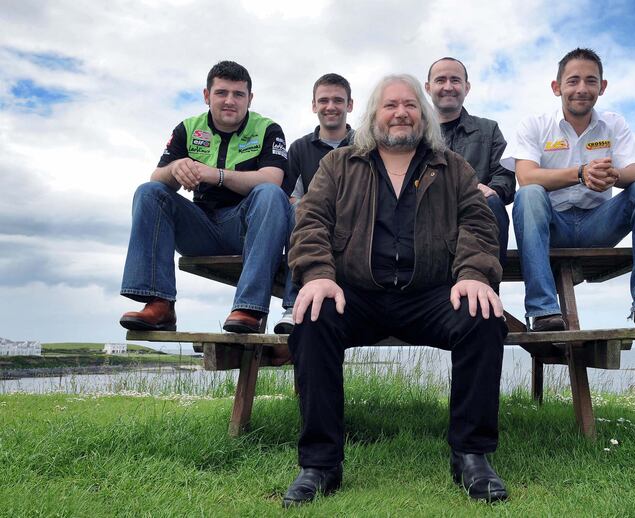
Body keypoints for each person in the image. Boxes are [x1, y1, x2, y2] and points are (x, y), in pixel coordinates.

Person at [283, 74, 508, 506]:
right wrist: (318, 275)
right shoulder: (339, 165)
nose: (400, 112)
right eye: (390, 105)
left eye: (409, 105)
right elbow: (310, 221)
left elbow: (479, 225)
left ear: (422, 116)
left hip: (430, 294)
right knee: (312, 319)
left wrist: (474, 276)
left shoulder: (453, 167)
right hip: (357, 293)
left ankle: (471, 455)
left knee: (482, 316)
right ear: (373, 115)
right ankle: (320, 463)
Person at [501, 48, 635, 331]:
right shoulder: (535, 125)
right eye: (573, 80)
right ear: (557, 87)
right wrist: (580, 174)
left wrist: (613, 175)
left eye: (591, 81)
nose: (582, 89)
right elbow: (525, 176)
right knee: (529, 195)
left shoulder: (614, 123)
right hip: (553, 226)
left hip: (599, 224)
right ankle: (544, 312)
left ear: (602, 87)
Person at [119, 61, 291, 334]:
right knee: (148, 191)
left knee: (270, 194)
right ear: (206, 95)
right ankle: (159, 303)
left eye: (238, 94)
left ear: (250, 98)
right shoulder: (188, 129)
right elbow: (157, 179)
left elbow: (273, 179)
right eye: (222, 93)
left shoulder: (268, 129)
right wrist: (174, 169)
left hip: (245, 230)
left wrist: (216, 175)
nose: (230, 101)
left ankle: (249, 308)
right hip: (200, 229)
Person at [273, 73, 355, 334]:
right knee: (299, 210)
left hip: (356, 226)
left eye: (338, 100)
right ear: (313, 105)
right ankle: (292, 303)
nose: (330, 106)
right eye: (323, 100)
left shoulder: (367, 145)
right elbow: (289, 196)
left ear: (349, 105)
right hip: (314, 228)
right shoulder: (298, 149)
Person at [425, 57, 514, 266]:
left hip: (476, 217)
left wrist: (494, 190)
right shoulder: (415, 135)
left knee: (493, 203)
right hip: (426, 221)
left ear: (467, 87)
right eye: (441, 80)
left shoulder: (489, 130)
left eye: (455, 80)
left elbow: (506, 177)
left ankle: (489, 290)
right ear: (428, 88)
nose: (448, 87)